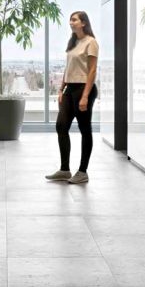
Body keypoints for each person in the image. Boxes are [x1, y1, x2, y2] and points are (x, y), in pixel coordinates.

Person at [45, 10, 99, 185]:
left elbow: (92, 70)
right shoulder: (73, 42)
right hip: (70, 89)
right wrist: (61, 89)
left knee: (85, 129)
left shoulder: (91, 42)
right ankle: (65, 169)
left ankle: (83, 172)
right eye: (70, 20)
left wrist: (85, 96)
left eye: (74, 20)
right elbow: (68, 68)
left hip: (84, 89)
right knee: (61, 126)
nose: (71, 22)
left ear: (83, 23)